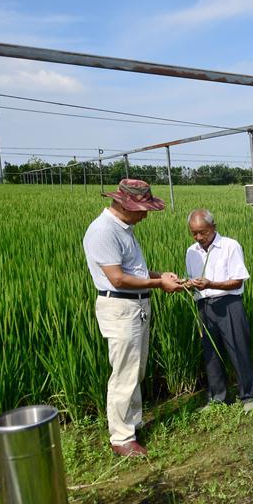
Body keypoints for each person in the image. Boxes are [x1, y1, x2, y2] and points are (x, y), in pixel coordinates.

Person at [83, 179, 182, 457]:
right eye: (143, 209)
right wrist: (159, 285)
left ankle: (132, 423)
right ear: (126, 204)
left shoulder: (124, 229)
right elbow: (117, 278)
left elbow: (134, 272)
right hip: (120, 309)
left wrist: (161, 276)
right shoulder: (103, 230)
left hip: (136, 307)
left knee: (135, 369)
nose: (146, 214)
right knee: (124, 372)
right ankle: (122, 438)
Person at [185, 209, 253, 411]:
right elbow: (195, 279)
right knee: (210, 353)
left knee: (238, 348)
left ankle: (248, 396)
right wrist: (188, 284)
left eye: (203, 232)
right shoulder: (191, 251)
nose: (199, 237)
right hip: (204, 306)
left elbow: (237, 281)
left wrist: (210, 284)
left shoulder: (230, 246)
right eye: (194, 233)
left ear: (213, 228)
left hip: (229, 304)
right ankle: (218, 397)